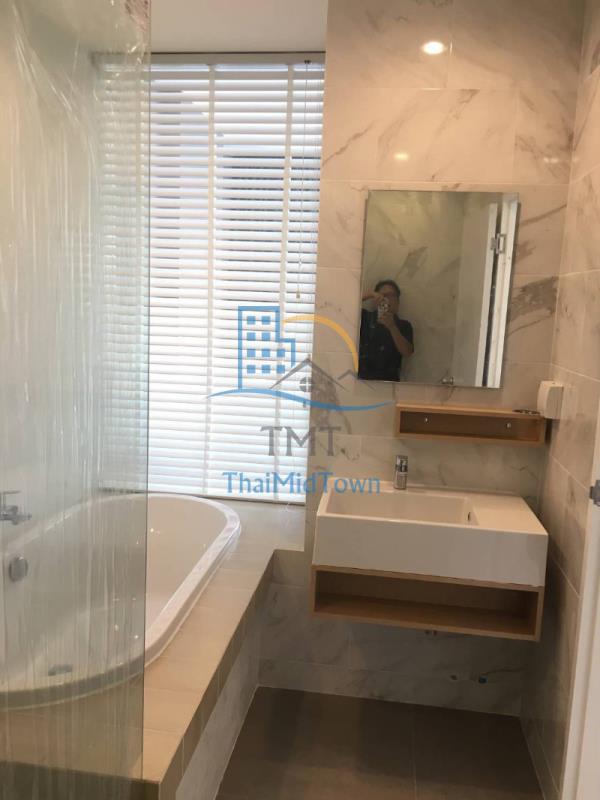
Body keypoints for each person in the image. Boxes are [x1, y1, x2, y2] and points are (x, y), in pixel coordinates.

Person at [358, 279, 414, 381]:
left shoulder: (404, 325)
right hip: (362, 381)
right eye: (382, 295)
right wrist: (370, 295)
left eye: (391, 295)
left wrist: (392, 327)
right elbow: (345, 307)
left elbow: (407, 352)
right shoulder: (365, 317)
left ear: (398, 302)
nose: (386, 299)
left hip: (390, 382)